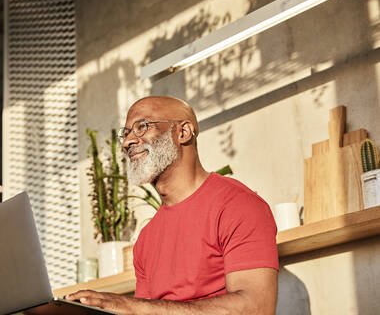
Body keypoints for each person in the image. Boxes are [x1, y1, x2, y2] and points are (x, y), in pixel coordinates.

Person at [67, 96, 279, 314]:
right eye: (126, 133)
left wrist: (127, 304)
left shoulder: (237, 205)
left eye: (142, 126)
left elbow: (257, 307)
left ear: (183, 132)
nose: (127, 142)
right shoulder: (146, 239)